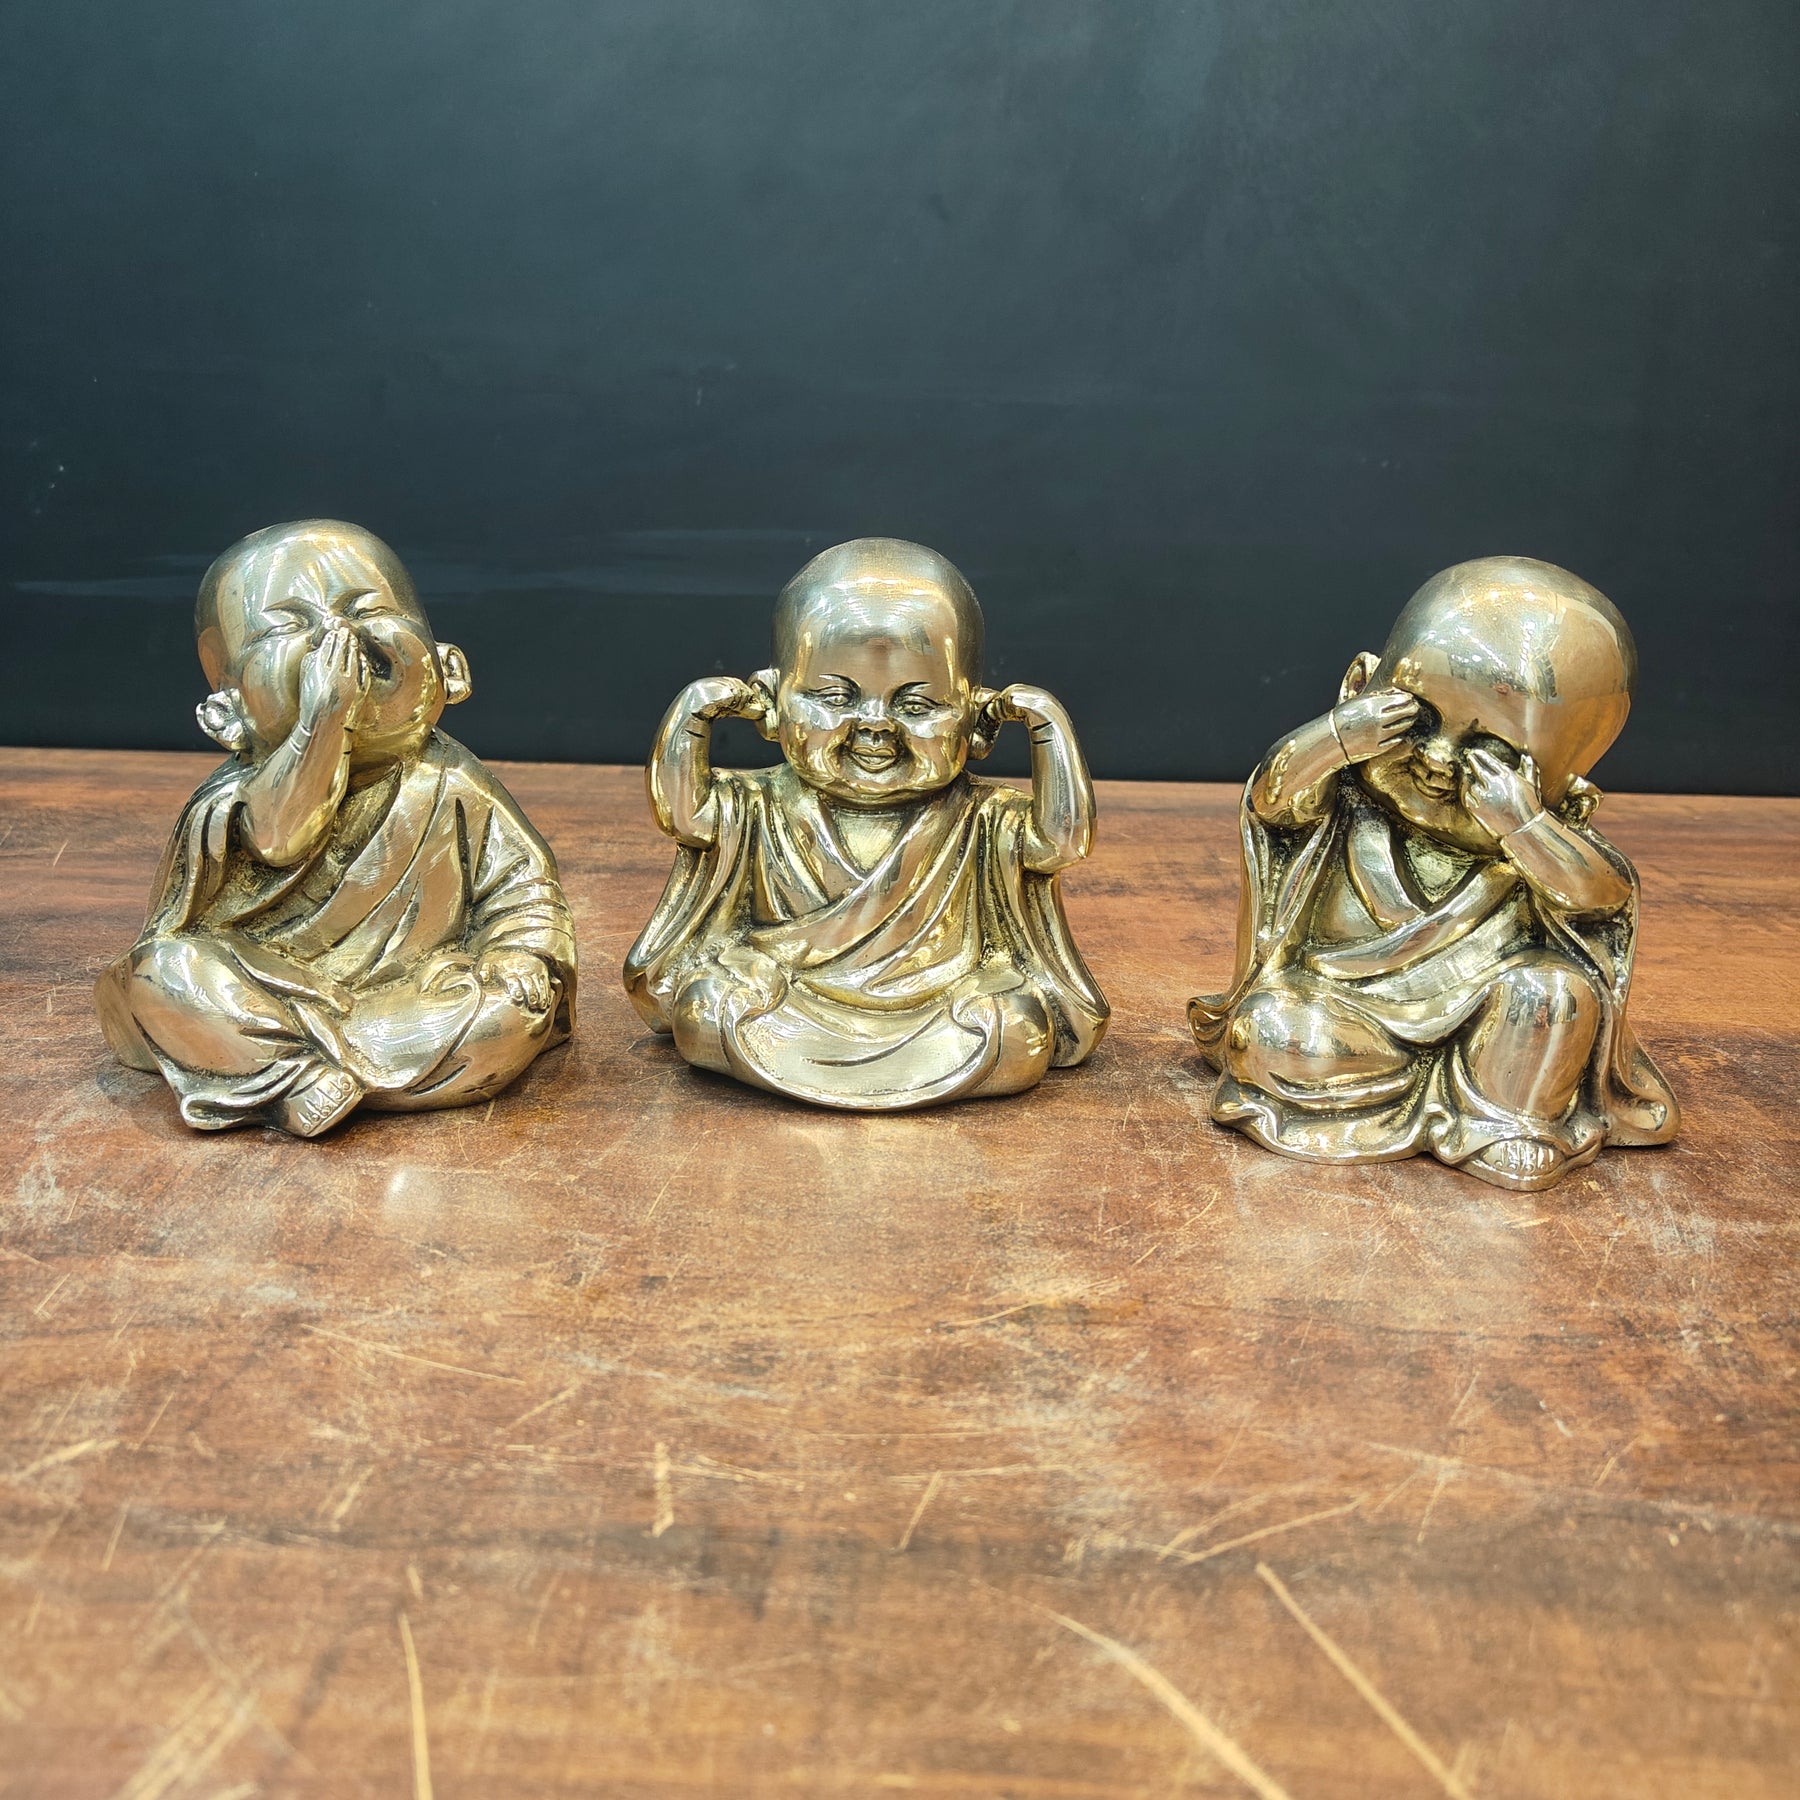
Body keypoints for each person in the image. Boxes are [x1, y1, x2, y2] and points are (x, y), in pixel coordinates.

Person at [1190, 556, 1678, 1191]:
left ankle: (1507, 1120)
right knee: (1268, 1031)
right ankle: (1413, 1099)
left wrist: (1524, 828)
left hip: (1495, 1031)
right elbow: (1271, 800)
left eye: (1490, 754)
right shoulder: (1343, 803)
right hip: (1347, 1016)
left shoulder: (1532, 848)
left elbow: (1604, 897)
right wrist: (1334, 739)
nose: (1439, 758)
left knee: (1554, 997)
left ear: (1570, 795)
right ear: (1358, 685)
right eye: (1414, 718)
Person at [96, 520, 576, 1136]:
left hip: (414, 1003)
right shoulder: (232, 798)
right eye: (289, 627)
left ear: (449, 670)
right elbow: (279, 837)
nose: (337, 636)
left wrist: (518, 955)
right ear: (227, 716)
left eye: (365, 611)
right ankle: (292, 1073)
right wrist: (324, 721)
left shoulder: (452, 782)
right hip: (260, 992)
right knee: (165, 974)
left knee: (510, 1013)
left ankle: (306, 1065)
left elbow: (523, 889)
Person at [626, 537, 1107, 1108]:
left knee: (1017, 1024)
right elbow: (684, 815)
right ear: (774, 704)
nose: (875, 725)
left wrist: (1046, 724)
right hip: (782, 1002)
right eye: (835, 697)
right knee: (707, 1007)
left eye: (917, 706)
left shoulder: (980, 818)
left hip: (938, 1005)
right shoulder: (759, 805)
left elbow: (1060, 843)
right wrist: (696, 709)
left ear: (976, 723)